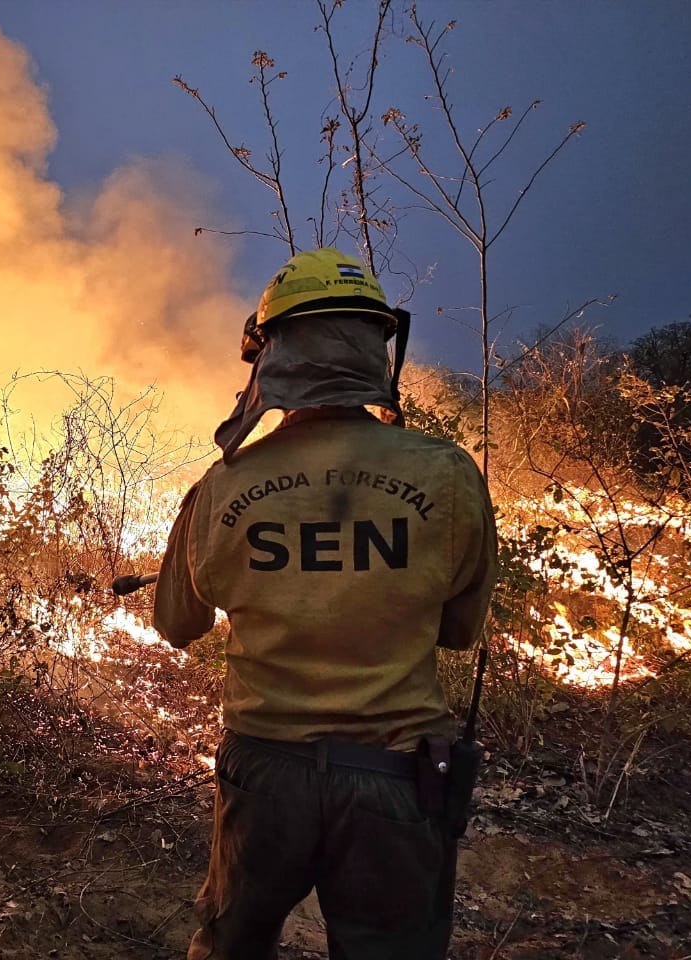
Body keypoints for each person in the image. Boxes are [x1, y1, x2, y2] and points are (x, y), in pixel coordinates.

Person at [153, 248, 499, 960]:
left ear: (267, 354)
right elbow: (460, 631)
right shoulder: (447, 476)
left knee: (231, 948)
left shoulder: (224, 485)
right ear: (379, 346)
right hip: (398, 778)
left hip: (266, 775)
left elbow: (176, 623)